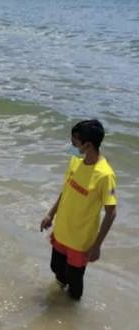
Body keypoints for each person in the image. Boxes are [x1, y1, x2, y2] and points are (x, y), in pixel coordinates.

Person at [40, 119, 117, 300]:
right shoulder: (75, 162)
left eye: (75, 141)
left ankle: (71, 315)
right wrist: (50, 214)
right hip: (62, 231)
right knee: (56, 269)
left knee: (75, 284)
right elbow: (65, 191)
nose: (72, 145)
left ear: (88, 145)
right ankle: (58, 302)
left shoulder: (105, 175)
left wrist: (97, 246)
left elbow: (111, 213)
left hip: (80, 241)